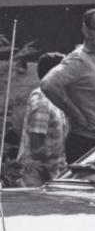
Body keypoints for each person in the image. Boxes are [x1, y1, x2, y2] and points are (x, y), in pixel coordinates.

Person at [40, 7, 95, 163]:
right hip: (89, 144)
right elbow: (48, 84)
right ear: (86, 30)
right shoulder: (79, 59)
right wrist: (76, 114)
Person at [17, 52, 68, 186]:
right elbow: (36, 148)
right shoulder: (42, 103)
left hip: (52, 175)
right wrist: (48, 180)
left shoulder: (54, 98)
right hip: (38, 179)